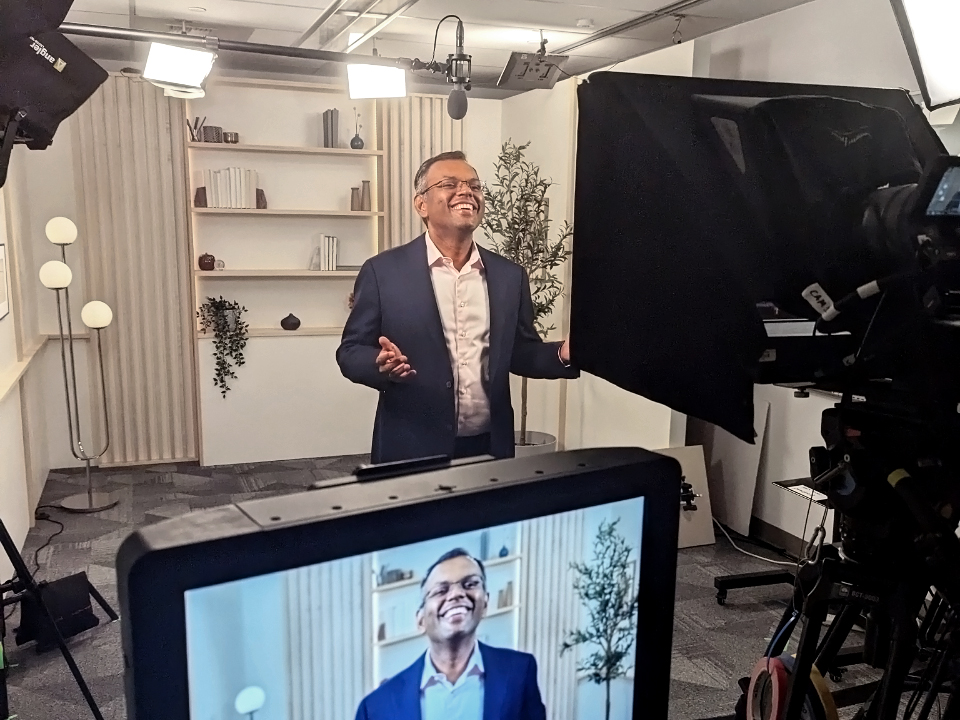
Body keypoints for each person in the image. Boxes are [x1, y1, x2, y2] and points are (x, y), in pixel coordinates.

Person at [336, 150, 578, 464]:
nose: (466, 192)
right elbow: (350, 350)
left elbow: (519, 352)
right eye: (450, 184)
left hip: (490, 448)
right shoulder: (383, 273)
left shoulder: (510, 276)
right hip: (411, 446)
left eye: (474, 186)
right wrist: (377, 363)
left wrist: (563, 353)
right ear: (421, 204)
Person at [354, 549, 546, 720]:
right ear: (420, 621)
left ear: (485, 604)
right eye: (441, 590)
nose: (456, 594)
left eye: (470, 584)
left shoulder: (520, 671)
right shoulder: (375, 708)